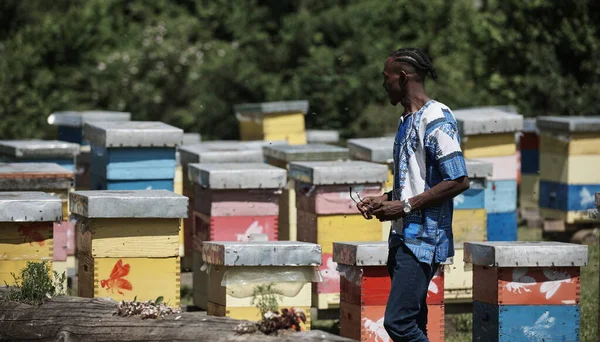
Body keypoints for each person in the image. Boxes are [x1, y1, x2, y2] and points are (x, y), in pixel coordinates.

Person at [357, 48, 470, 342]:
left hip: (424, 239)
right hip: (403, 237)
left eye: (387, 78)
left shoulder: (437, 118)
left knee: (398, 323)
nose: (384, 84)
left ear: (403, 77)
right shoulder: (407, 120)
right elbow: (416, 181)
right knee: (415, 322)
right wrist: (386, 198)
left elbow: (458, 179)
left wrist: (404, 206)